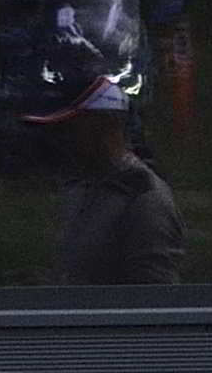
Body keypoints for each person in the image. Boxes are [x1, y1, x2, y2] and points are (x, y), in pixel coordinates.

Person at [39, 84, 184, 286]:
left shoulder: (144, 199)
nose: (63, 139)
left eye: (71, 128)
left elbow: (155, 296)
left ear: (104, 126)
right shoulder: (81, 187)